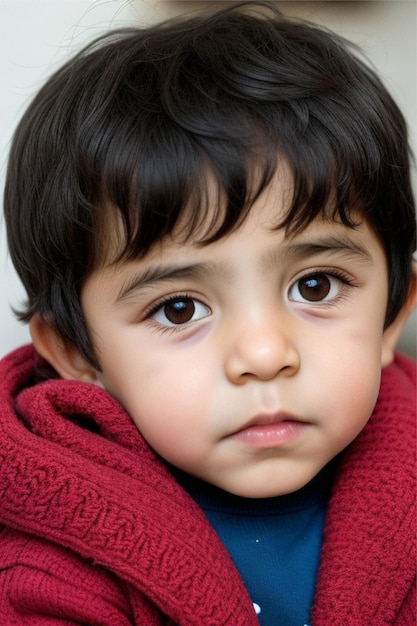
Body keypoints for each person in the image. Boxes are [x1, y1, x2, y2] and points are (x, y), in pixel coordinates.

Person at [0, 3, 415, 624]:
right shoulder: (41, 568)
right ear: (76, 353)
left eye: (317, 285)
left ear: (392, 315)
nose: (265, 355)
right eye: (179, 307)